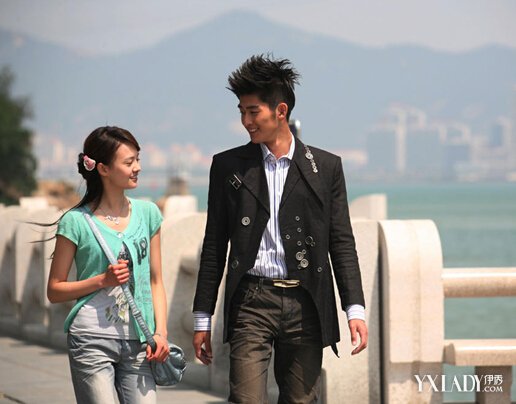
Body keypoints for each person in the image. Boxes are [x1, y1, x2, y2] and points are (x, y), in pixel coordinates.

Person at [192, 55, 368, 403]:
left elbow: (341, 242)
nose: (246, 121)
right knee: (246, 399)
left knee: (301, 400)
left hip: (307, 302)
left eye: (253, 111)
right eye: (241, 111)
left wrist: (355, 310)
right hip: (251, 300)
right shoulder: (227, 166)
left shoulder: (325, 167)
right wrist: (202, 318)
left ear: (281, 111)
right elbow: (214, 245)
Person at [47, 126, 169, 404]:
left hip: (140, 341)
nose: (137, 167)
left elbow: (156, 280)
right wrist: (102, 280)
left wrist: (161, 332)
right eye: (129, 162)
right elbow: (54, 290)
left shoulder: (148, 213)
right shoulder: (75, 222)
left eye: (138, 159)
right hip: (91, 338)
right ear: (102, 168)